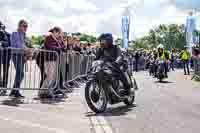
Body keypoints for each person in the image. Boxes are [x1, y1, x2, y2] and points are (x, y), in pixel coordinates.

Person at [39, 26, 65, 98]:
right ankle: (41, 92)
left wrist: (61, 40)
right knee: (49, 77)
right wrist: (59, 48)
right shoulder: (48, 38)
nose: (59, 34)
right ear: (54, 32)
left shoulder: (57, 39)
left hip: (54, 59)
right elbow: (52, 48)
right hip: (48, 59)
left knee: (53, 78)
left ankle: (47, 92)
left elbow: (63, 47)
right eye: (58, 33)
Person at [10, 19, 29, 98]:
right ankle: (15, 91)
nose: (26, 28)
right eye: (24, 26)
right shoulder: (15, 33)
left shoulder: (24, 34)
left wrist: (27, 51)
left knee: (19, 74)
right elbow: (18, 44)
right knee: (20, 73)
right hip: (16, 55)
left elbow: (24, 43)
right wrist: (26, 49)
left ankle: (14, 91)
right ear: (19, 25)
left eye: (26, 26)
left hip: (21, 55)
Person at [0, 22, 11, 95]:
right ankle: (2, 86)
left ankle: (4, 88)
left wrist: (1, 43)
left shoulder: (7, 34)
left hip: (6, 55)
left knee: (5, 72)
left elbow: (8, 44)